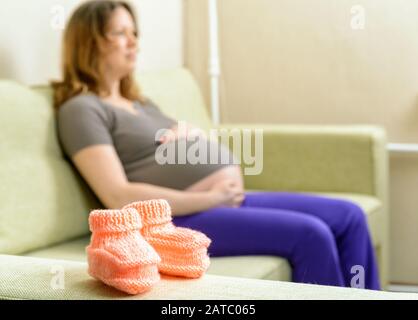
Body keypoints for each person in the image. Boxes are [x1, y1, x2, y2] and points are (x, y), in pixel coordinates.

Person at [53, 0, 380, 290]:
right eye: (120, 33)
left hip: (223, 201)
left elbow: (188, 140)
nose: (134, 41)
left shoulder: (139, 102)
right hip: (178, 218)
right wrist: (209, 196)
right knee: (311, 233)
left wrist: (194, 137)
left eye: (134, 31)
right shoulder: (81, 109)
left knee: (349, 217)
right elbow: (117, 196)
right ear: (89, 41)